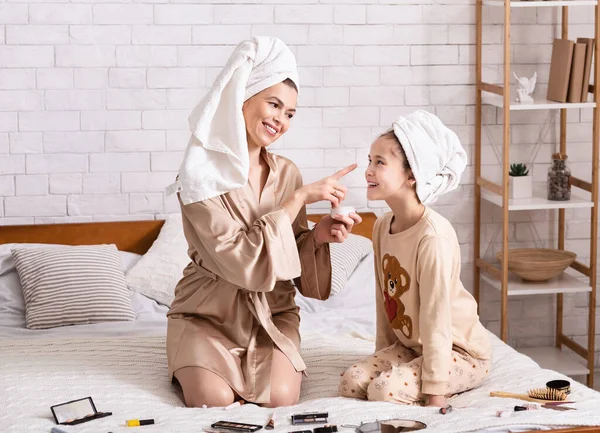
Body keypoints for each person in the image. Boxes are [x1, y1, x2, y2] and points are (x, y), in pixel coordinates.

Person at [166, 36, 361, 409]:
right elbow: (240, 260)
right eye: (274, 104)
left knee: (281, 398)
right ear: (243, 97)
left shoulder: (287, 173)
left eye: (290, 113)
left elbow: (294, 259)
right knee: (213, 399)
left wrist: (318, 236)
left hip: (271, 311)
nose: (281, 120)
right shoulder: (199, 176)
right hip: (207, 315)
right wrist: (299, 198)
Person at [339, 110, 491, 407]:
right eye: (370, 160)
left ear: (412, 175)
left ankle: (435, 381)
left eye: (379, 162)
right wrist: (381, 356)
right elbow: (386, 302)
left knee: (385, 391)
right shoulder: (383, 226)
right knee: (352, 380)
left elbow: (436, 318)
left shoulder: (432, 238)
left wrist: (435, 393)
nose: (368, 170)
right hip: (412, 347)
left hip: (459, 350)